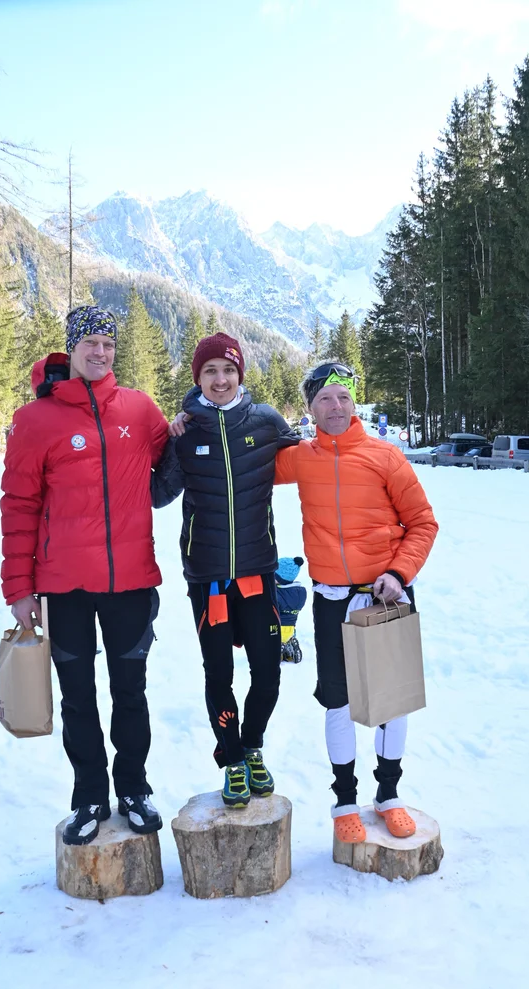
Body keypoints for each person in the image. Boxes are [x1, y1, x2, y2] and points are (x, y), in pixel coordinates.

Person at [0, 305, 168, 846]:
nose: (100, 352)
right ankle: (91, 795)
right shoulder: (35, 421)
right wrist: (19, 588)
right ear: (71, 349)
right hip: (64, 586)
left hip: (130, 582)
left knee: (131, 692)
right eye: (90, 343)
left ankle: (134, 788)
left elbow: (175, 455)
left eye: (108, 344)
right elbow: (18, 505)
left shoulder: (141, 411)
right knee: (77, 696)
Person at [274, 361, 438, 843]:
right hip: (330, 599)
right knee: (338, 700)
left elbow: (423, 523)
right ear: (309, 409)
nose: (336, 406)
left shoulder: (385, 456)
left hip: (385, 596)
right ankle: (344, 799)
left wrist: (398, 572)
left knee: (391, 701)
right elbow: (246, 460)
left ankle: (388, 794)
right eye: (324, 398)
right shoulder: (300, 458)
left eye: (343, 396)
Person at [152, 331, 300, 808]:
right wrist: (163, 441)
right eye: (210, 371)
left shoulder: (267, 421)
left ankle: (252, 745)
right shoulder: (187, 429)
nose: (220, 379)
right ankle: (232, 757)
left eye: (228, 370)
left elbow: (311, 462)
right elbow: (158, 494)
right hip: (209, 577)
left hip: (257, 571)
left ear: (241, 374)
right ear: (198, 377)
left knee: (268, 672)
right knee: (218, 674)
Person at [274, 556, 307, 663]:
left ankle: (277, 648)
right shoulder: (300, 592)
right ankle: (289, 642)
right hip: (291, 629)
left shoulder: (277, 593)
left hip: (276, 629)